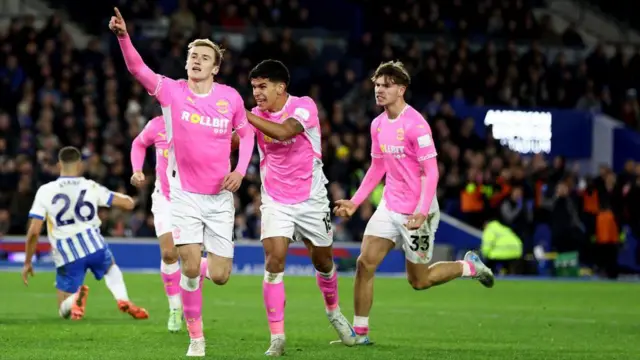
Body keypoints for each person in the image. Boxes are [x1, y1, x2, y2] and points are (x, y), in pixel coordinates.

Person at [110, 7, 255, 357]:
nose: (196, 61)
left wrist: (241, 170)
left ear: (215, 67)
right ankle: (196, 338)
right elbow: (137, 69)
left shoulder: (230, 98)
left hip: (220, 198)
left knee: (219, 275)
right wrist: (123, 37)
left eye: (204, 57)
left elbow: (247, 133)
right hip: (183, 195)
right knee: (188, 266)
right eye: (192, 56)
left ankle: (197, 285)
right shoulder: (171, 92)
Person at [333, 61, 495, 345]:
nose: (379, 90)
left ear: (401, 89)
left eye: (386, 85)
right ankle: (360, 334)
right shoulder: (378, 124)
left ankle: (468, 266)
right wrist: (356, 202)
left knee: (419, 281)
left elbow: (432, 172)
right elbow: (376, 167)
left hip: (419, 211)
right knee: (364, 263)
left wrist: (421, 212)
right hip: (389, 205)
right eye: (377, 85)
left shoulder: (416, 125)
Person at [245, 59, 356, 356]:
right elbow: (236, 142)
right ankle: (277, 336)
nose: (256, 92)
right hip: (275, 200)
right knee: (275, 260)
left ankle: (334, 312)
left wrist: (241, 115)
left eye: (262, 86)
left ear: (281, 87)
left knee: (323, 262)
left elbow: (283, 132)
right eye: (254, 86)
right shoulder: (255, 115)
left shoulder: (303, 106)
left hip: (311, 198)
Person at [21, 146, 148, 321]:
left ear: (59, 165)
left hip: (67, 253)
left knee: (63, 310)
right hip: (94, 245)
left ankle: (75, 298)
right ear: (79, 165)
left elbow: (34, 231)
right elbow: (127, 204)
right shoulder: (90, 186)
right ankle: (123, 299)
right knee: (111, 268)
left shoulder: (46, 191)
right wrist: (129, 197)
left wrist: (28, 261)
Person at [130, 115, 182, 332]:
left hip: (195, 197)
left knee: (193, 261)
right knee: (169, 253)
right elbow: (138, 143)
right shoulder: (156, 124)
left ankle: (208, 268)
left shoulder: (197, 121)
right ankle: (175, 309)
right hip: (165, 197)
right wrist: (137, 169)